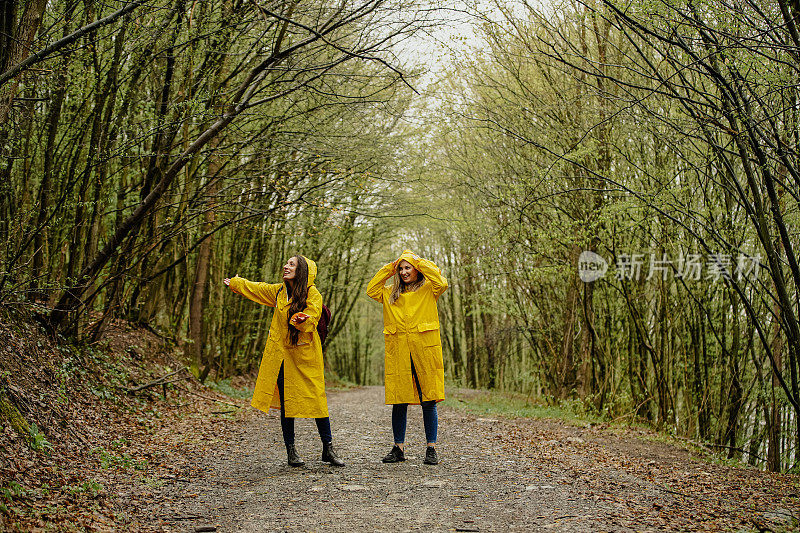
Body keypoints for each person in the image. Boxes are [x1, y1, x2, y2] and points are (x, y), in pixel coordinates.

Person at [224, 255, 344, 468]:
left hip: (305, 356)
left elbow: (314, 314)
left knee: (317, 400)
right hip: (281, 357)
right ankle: (291, 450)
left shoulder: (312, 293)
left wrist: (302, 319)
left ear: (302, 271)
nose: (286, 266)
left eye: (292, 265)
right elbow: (257, 289)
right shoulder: (279, 291)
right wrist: (237, 283)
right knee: (287, 404)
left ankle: (328, 448)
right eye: (286, 263)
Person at [367, 250, 448, 465]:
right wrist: (389, 267)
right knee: (399, 399)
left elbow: (441, 280)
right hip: (399, 351)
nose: (403, 272)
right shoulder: (389, 293)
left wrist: (419, 262)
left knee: (428, 399)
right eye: (400, 269)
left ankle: (431, 448)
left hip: (424, 350)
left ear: (417, 270)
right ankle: (398, 448)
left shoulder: (429, 289)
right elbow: (370, 289)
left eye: (407, 268)